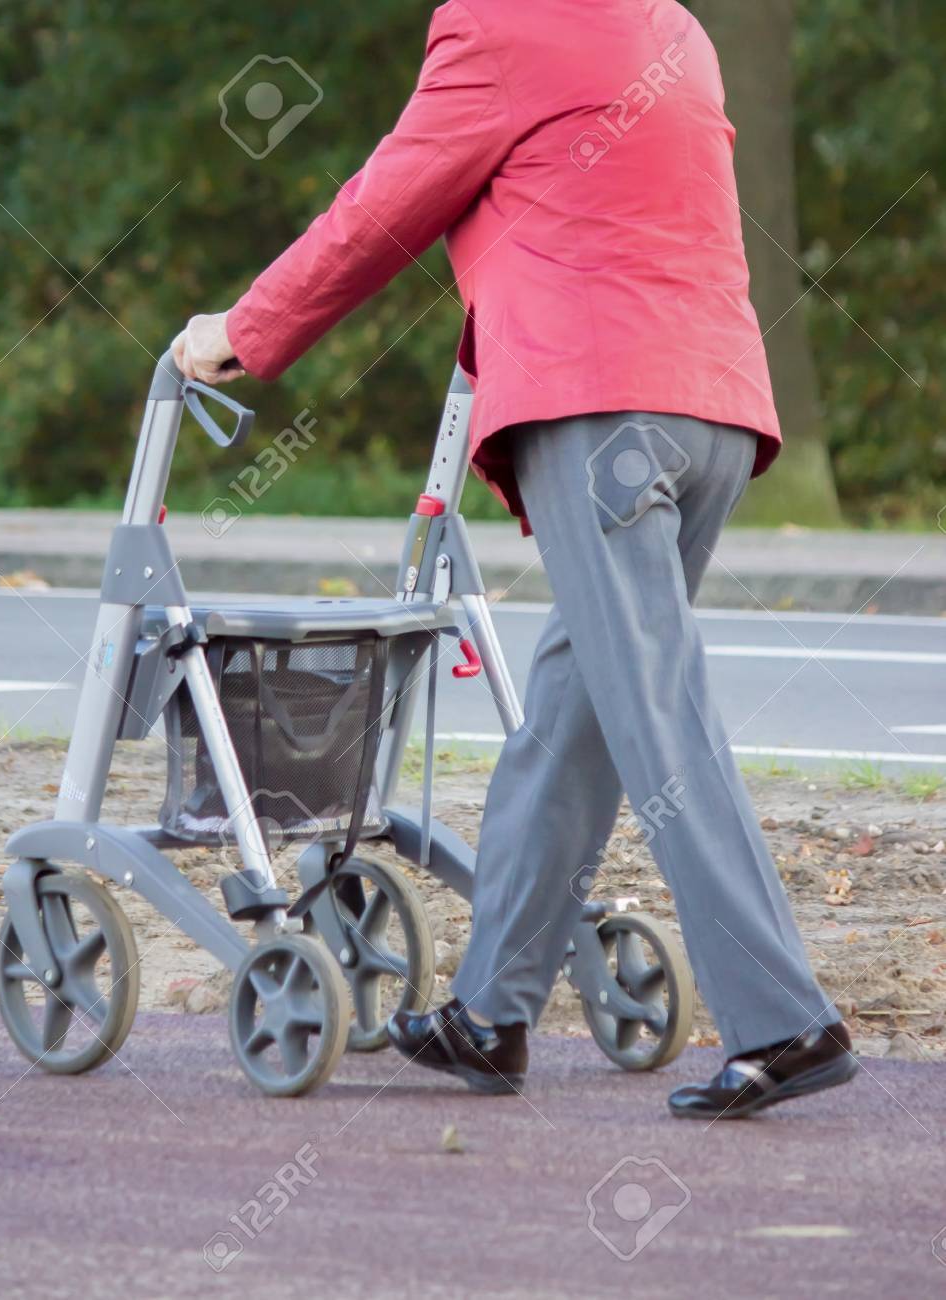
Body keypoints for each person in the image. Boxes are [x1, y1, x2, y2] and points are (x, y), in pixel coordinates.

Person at [172, 0, 858, 1119]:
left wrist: (244, 330)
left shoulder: (497, 27)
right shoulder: (671, 29)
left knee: (654, 713)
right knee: (576, 714)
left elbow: (381, 209)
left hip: (603, 408)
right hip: (712, 412)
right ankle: (491, 1011)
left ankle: (783, 1015)